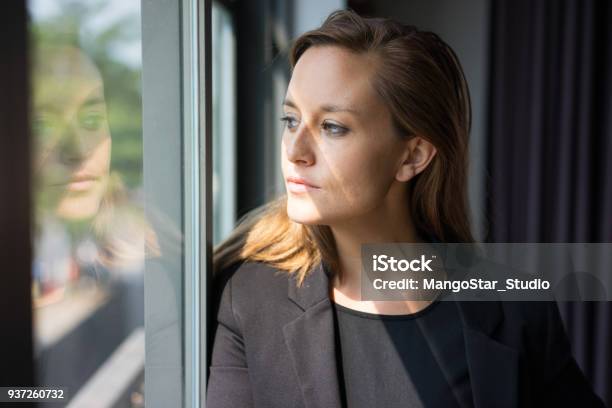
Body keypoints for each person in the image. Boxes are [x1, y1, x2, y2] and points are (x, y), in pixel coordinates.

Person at [207, 9, 605, 408]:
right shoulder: (249, 299)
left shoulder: (518, 311)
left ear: (412, 157)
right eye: (290, 120)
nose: (295, 151)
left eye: (332, 127)